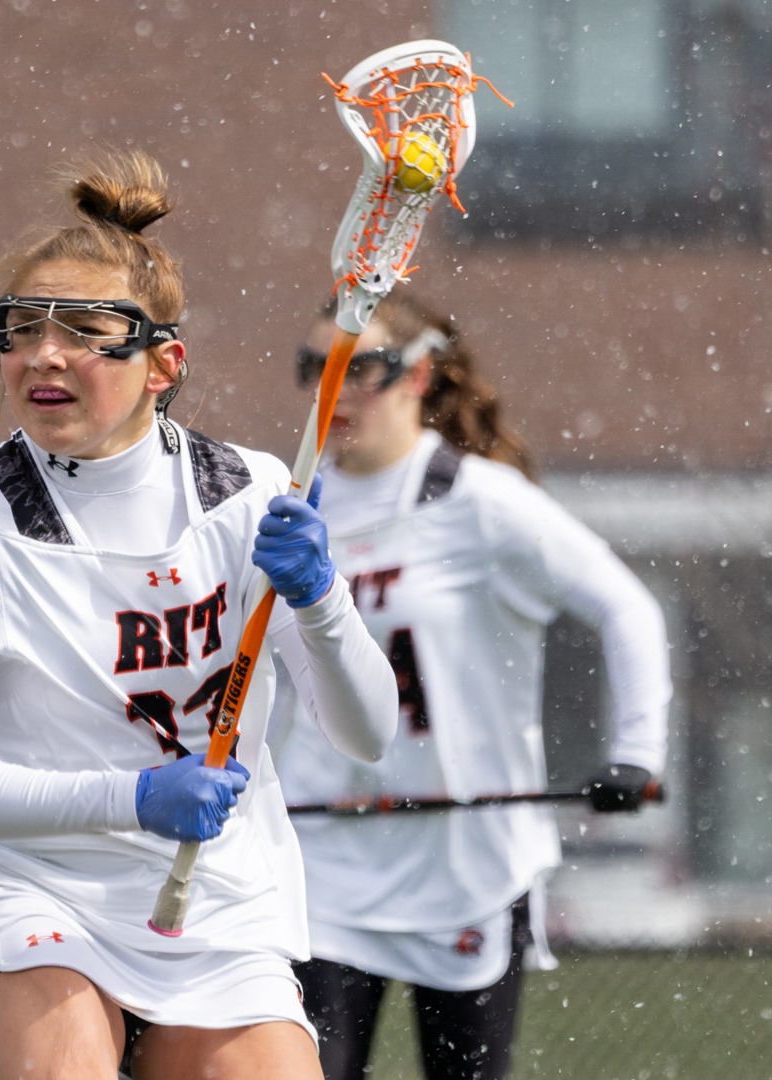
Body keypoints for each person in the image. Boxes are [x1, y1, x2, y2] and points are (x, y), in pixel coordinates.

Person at [0, 149, 398, 1080]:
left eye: (86, 331)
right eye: (21, 329)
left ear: (164, 363)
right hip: (32, 881)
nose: (45, 355)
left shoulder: (251, 494)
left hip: (218, 894)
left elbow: (366, 732)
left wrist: (318, 602)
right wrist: (132, 799)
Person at [266, 291, 671, 1080]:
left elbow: (627, 609)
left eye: (360, 368)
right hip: (322, 865)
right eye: (316, 368)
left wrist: (638, 752)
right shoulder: (285, 506)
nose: (334, 391)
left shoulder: (481, 502)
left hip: (465, 865)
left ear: (419, 376)